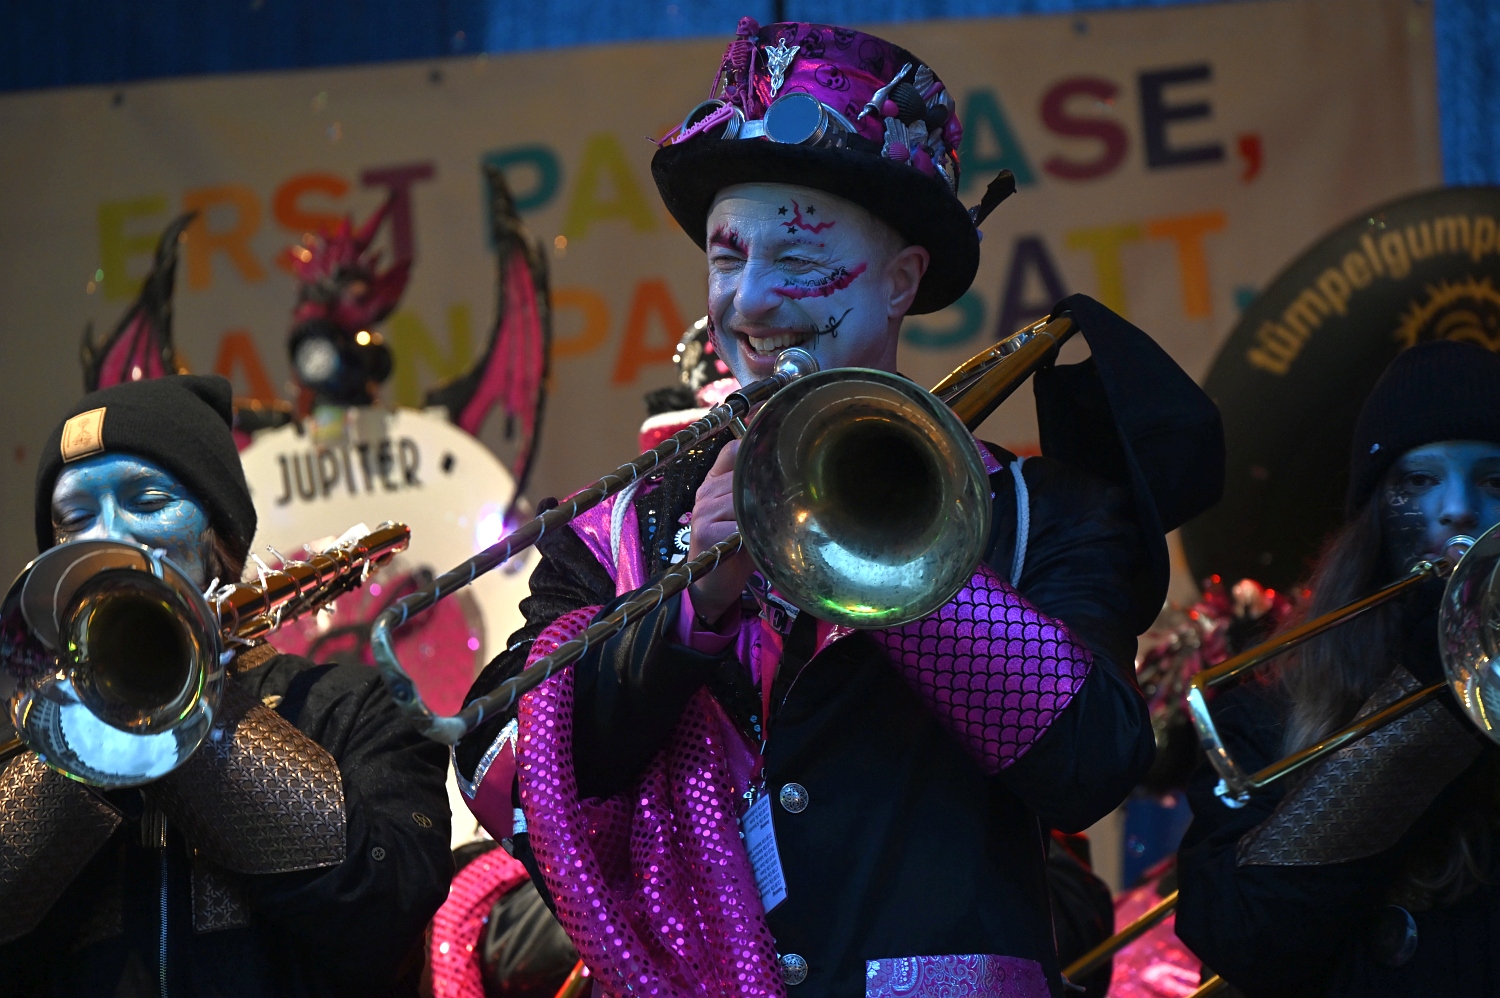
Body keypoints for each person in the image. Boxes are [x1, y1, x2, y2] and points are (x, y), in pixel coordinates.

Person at [454, 19, 1222, 997]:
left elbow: (1091, 762)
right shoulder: (614, 530)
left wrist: (881, 543)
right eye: (727, 258)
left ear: (903, 282)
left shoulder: (1041, 511)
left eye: (799, 258)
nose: (750, 302)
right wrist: (689, 599)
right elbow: (506, 774)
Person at [0, 375, 453, 997]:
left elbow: (389, 915)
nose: (108, 535)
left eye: (148, 501)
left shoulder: (351, 706)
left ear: (221, 536)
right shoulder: (32, 742)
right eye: (75, 518)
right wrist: (80, 746)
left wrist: (190, 707)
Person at [1175, 339, 1500, 996]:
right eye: (1419, 480)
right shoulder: (1263, 714)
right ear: (1373, 516)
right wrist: (1432, 688)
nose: (1459, 508)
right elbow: (1240, 935)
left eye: (1494, 481)